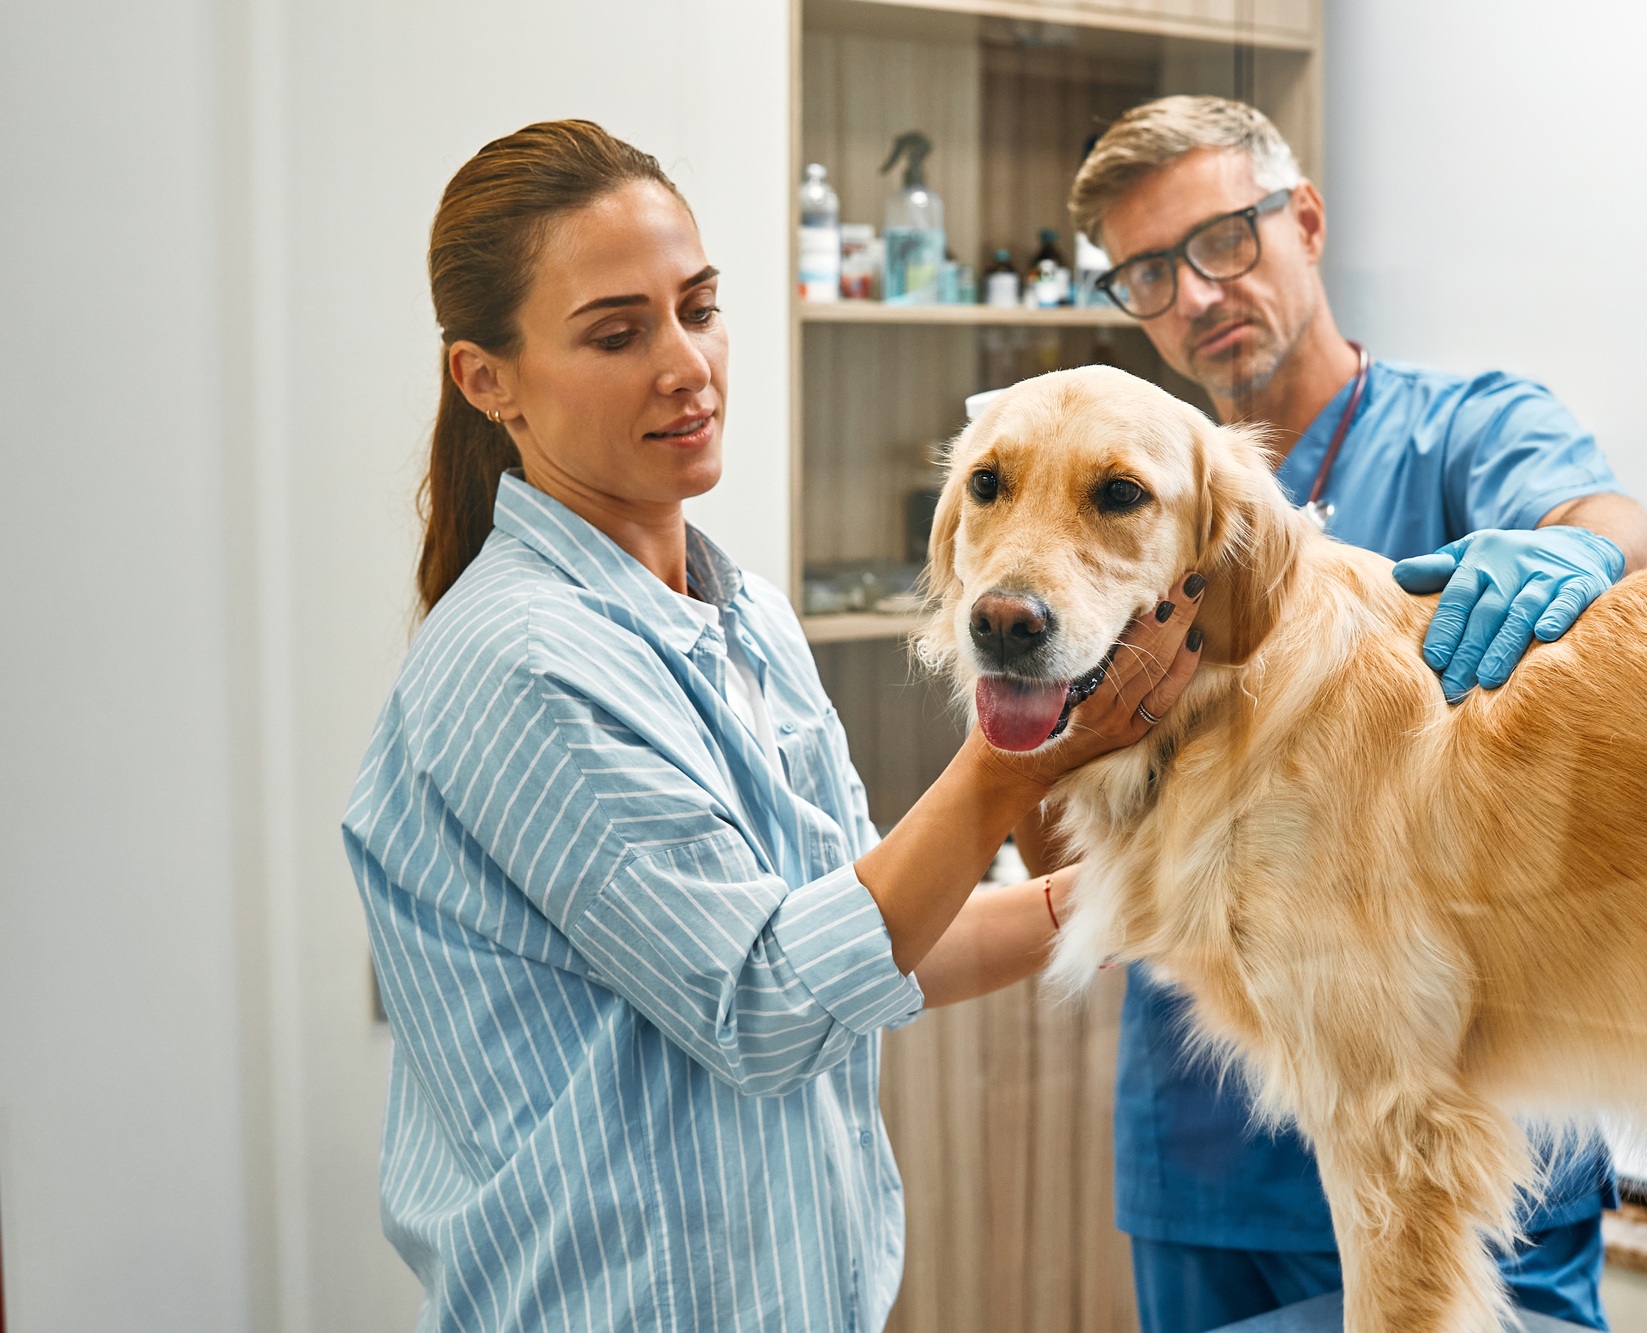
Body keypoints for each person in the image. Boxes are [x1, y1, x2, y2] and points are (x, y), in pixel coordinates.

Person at [341, 119, 1205, 1331]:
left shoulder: (739, 615)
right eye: (616, 332)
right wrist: (1020, 765)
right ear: (487, 380)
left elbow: (880, 941)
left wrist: (1138, 892)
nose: (686, 364)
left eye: (698, 307)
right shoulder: (524, 663)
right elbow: (767, 1003)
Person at [1034, 95, 1647, 1333]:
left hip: (1468, 1101)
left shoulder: (1459, 426)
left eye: (1222, 241)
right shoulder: (1134, 501)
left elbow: (1605, 522)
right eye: (1148, 275)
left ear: (1303, 220)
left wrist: (1585, 558)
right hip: (1205, 1137)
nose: (1196, 295)